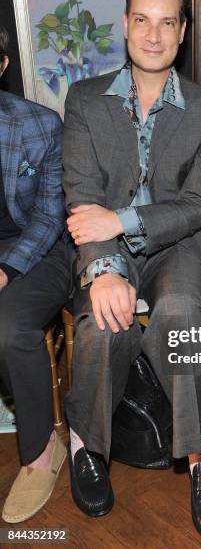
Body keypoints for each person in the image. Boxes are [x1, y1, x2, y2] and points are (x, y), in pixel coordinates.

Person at [62, 0, 201, 540]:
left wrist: (123, 217)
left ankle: (200, 457)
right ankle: (85, 447)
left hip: (177, 246)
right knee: (103, 325)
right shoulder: (85, 100)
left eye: (167, 23)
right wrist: (106, 266)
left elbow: (198, 205)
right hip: (105, 247)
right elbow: (82, 199)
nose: (153, 35)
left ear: (183, 32)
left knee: (184, 316)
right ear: (127, 23)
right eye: (142, 20)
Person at [0, 26, 71, 523]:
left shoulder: (39, 125)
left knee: (8, 327)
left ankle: (42, 449)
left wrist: (5, 270)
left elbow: (49, 217)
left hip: (37, 250)